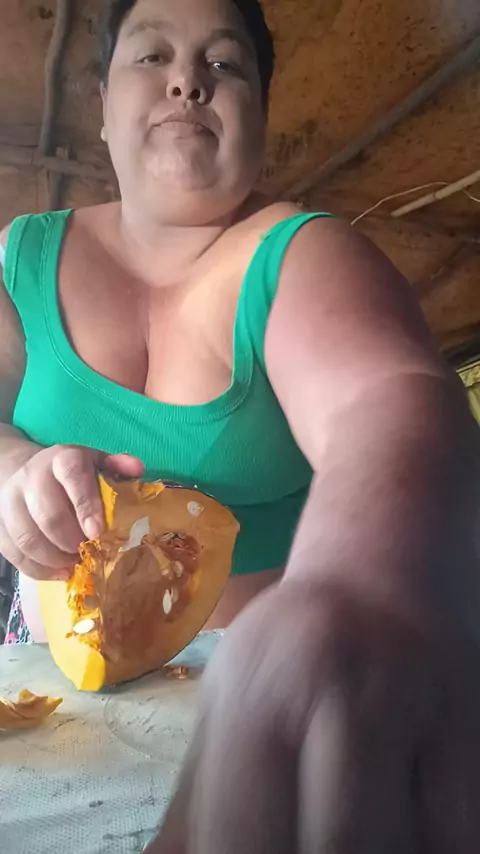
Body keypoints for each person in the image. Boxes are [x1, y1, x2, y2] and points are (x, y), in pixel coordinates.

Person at [1, 0, 479, 849]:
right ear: (102, 103)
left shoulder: (304, 253)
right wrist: (14, 470)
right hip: (49, 697)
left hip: (267, 710)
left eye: (224, 64)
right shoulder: (19, 256)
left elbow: (386, 401)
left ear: (260, 115)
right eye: (152, 55)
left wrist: (370, 593)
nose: (188, 80)